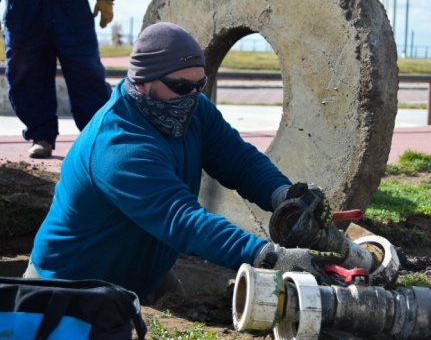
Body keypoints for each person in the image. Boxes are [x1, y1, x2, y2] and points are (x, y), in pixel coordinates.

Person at [24, 22, 340, 304]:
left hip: (141, 277)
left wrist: (284, 197)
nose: (191, 96)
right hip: (69, 289)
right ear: (143, 81)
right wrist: (270, 257)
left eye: (198, 85)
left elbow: (239, 162)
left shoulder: (194, 109)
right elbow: (183, 220)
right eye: (181, 87)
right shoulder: (118, 144)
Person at [0, 0, 119, 159]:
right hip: (23, 11)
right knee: (27, 76)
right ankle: (41, 137)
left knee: (87, 74)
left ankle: (97, 137)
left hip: (71, 8)